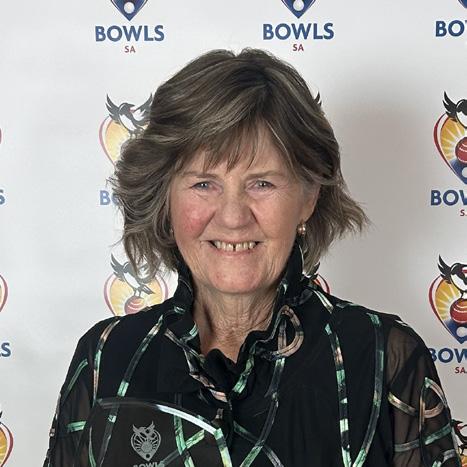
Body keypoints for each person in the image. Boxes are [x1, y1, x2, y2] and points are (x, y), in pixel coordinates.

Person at [43, 49, 461, 467]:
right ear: (165, 198)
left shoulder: (384, 360)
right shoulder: (106, 359)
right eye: (204, 184)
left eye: (261, 183)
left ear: (308, 197)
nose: (233, 217)